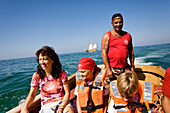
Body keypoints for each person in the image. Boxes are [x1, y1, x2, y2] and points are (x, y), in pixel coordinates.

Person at [21, 46, 74, 113]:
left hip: (62, 103)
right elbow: (32, 94)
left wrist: (61, 108)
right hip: (47, 106)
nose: (42, 62)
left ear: (52, 60)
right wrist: (24, 107)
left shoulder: (61, 73)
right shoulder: (37, 76)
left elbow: (67, 92)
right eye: (40, 59)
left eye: (45, 59)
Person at [101, 13, 135, 80]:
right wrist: (108, 70)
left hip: (125, 69)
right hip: (112, 70)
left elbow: (131, 52)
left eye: (120, 22)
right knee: (110, 89)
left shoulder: (128, 36)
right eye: (116, 23)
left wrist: (132, 67)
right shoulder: (107, 36)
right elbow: (104, 53)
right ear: (112, 23)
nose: (118, 25)